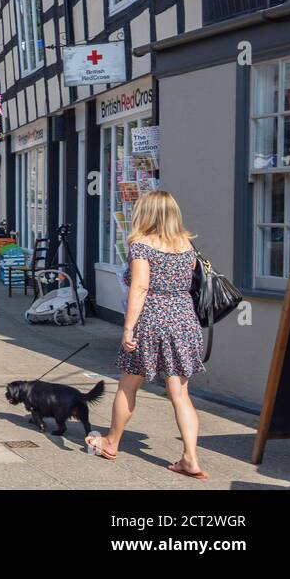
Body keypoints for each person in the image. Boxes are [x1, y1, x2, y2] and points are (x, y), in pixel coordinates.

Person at [86, 191, 207, 480]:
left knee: (128, 384)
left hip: (152, 321)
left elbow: (140, 289)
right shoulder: (186, 246)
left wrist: (128, 328)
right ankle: (191, 458)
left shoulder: (142, 246)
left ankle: (111, 443)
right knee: (180, 393)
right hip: (184, 320)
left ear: (146, 214)